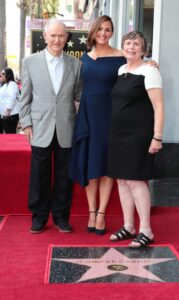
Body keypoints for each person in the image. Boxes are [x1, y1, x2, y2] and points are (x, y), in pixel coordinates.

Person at [19, 19, 82, 234]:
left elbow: (80, 96)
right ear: (45, 36)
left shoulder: (76, 64)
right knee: (39, 175)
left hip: (67, 127)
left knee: (65, 176)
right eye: (53, 35)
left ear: (66, 38)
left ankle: (61, 217)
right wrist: (26, 123)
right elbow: (24, 97)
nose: (57, 39)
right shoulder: (30, 62)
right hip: (39, 128)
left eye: (61, 36)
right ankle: (38, 217)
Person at [69, 15, 126, 235]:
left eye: (108, 29)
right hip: (87, 114)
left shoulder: (121, 56)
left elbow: (137, 68)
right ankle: (91, 212)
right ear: (93, 32)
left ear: (112, 32)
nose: (104, 33)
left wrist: (150, 62)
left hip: (110, 115)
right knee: (91, 166)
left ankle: (101, 213)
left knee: (106, 166)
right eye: (100, 29)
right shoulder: (84, 58)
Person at [108, 31, 164, 248]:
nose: (131, 47)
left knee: (135, 181)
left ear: (143, 49)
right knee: (121, 181)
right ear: (123, 47)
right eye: (128, 43)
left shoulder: (150, 72)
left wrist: (157, 137)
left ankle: (146, 230)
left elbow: (159, 106)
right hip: (118, 135)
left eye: (136, 44)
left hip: (138, 136)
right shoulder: (121, 70)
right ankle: (129, 226)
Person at [0, 68, 20, 134]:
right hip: (5, 114)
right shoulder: (5, 85)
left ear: (8, 75)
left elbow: (12, 97)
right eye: (1, 74)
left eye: (3, 73)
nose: (1, 75)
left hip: (11, 114)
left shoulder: (12, 84)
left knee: (10, 134)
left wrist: (8, 110)